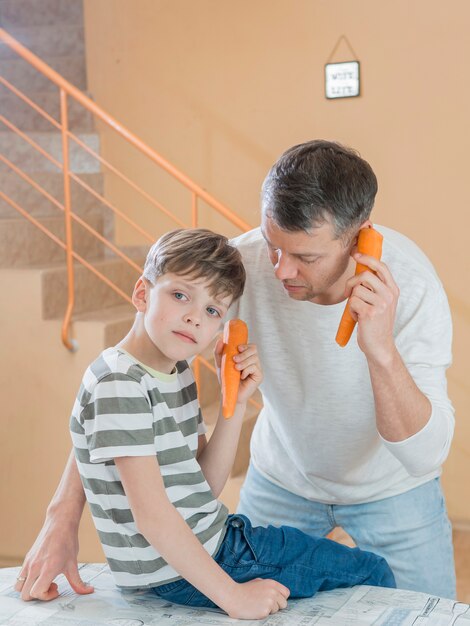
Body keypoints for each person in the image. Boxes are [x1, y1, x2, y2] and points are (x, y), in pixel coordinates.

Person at [15, 140, 455, 600]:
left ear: (360, 237)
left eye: (306, 257)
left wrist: (381, 350)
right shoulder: (240, 269)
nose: (282, 270)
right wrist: (62, 513)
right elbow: (117, 389)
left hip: (392, 489)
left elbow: (424, 456)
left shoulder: (414, 287)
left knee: (430, 611)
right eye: (273, 245)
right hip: (283, 479)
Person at [16, 227, 395, 618]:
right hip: (209, 557)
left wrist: (234, 402)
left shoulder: (174, 370)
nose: (195, 318)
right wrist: (233, 596)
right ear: (142, 293)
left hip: (209, 547)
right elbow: (152, 515)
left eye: (213, 310)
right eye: (181, 295)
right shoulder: (120, 383)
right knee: (373, 571)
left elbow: (204, 486)